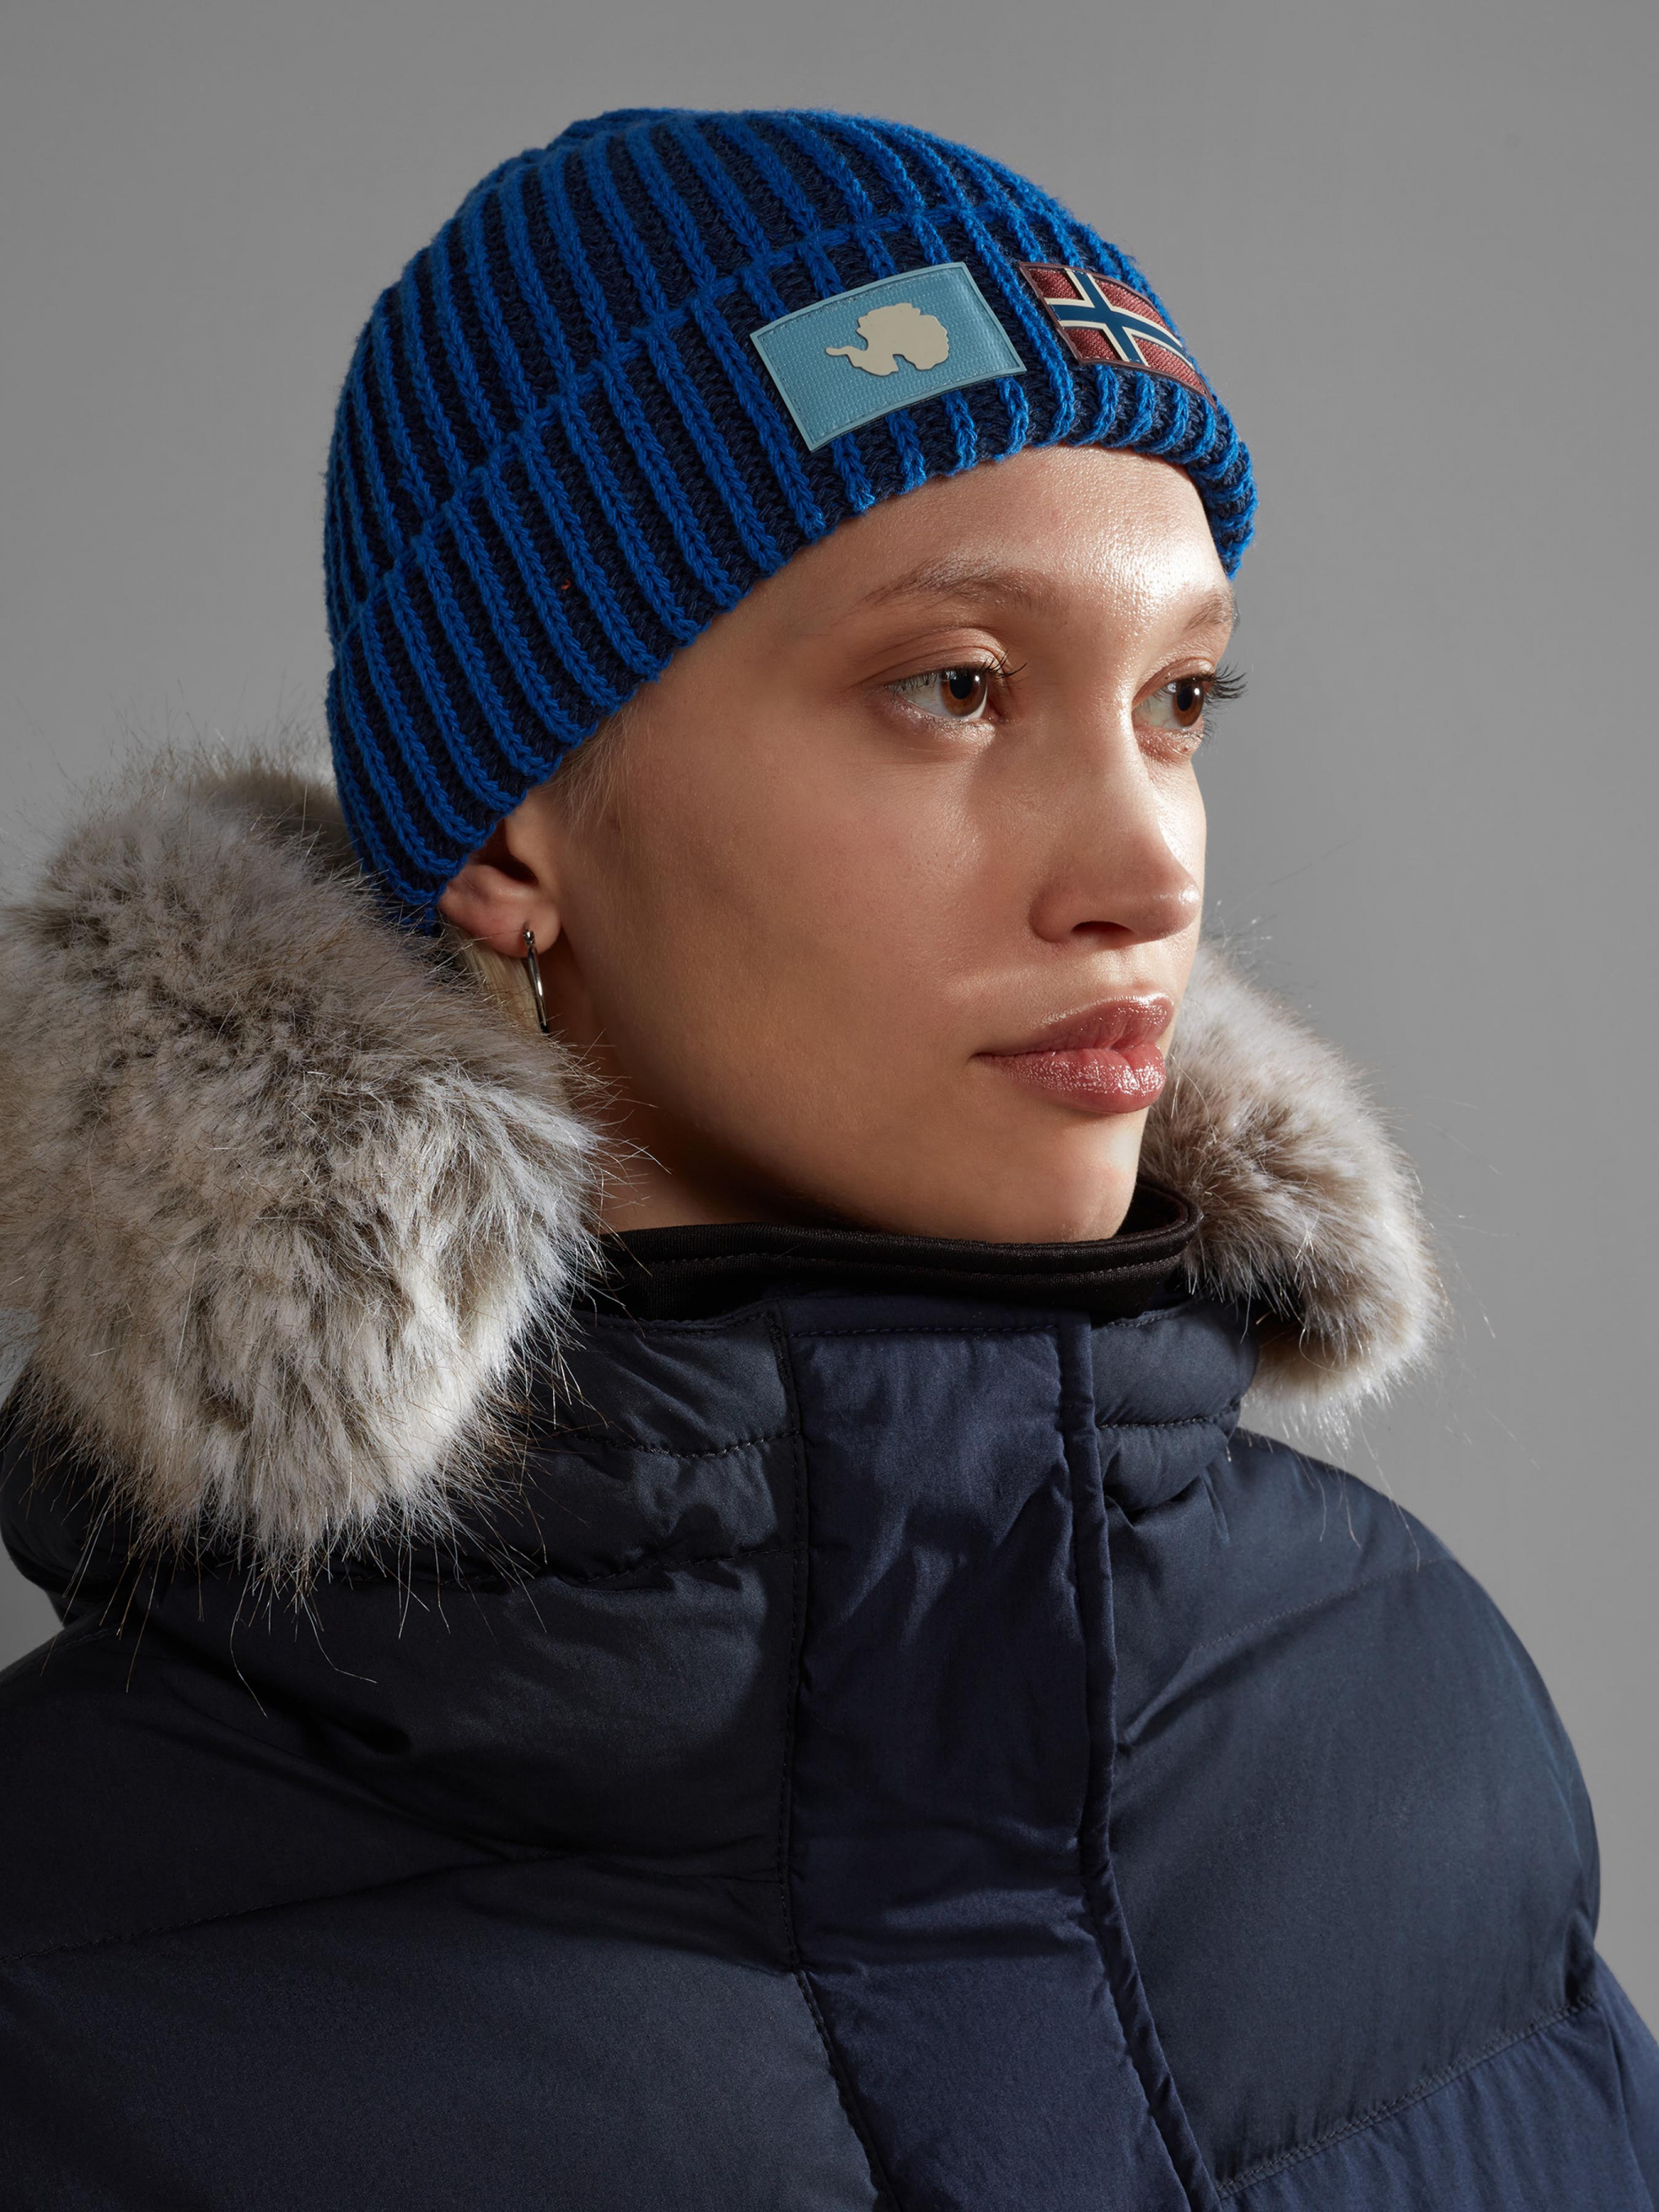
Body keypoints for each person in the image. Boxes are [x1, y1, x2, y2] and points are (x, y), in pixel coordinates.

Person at [0, 104, 1652, 2212]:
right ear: (512, 829)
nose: (1148, 867)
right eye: (953, 687)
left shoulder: (1403, 1709)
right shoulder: (69, 1975)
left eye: (1179, 700)